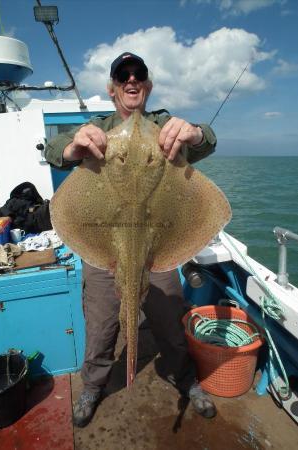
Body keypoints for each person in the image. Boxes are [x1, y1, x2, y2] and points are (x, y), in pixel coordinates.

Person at [45, 52, 218, 428]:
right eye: (123, 75)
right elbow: (55, 151)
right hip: (105, 244)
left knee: (170, 322)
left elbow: (207, 142)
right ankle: (92, 385)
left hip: (158, 244)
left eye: (138, 74)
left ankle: (185, 378)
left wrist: (196, 133)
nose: (131, 79)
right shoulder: (99, 126)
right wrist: (74, 146)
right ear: (112, 89)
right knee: (102, 323)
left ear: (147, 86)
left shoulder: (165, 125)